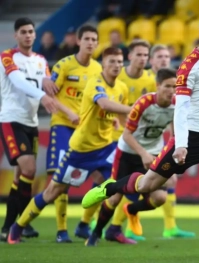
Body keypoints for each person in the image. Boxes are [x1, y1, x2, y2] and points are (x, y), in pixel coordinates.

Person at [81, 12, 199, 260]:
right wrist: (181, 145)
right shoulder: (188, 67)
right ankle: (108, 189)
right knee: (147, 185)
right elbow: (181, 110)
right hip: (191, 139)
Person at [7, 47, 132, 244]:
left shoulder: (122, 88)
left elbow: (122, 117)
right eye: (112, 62)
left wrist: (123, 125)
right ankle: (18, 226)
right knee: (53, 191)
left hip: (105, 148)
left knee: (117, 189)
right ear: (103, 64)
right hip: (81, 150)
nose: (116, 66)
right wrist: (135, 108)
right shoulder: (95, 83)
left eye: (119, 61)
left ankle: (93, 231)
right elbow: (106, 105)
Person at [87, 68, 185, 245]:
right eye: (167, 86)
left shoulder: (177, 104)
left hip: (153, 153)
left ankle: (130, 210)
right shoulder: (144, 103)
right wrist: (143, 154)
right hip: (128, 153)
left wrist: (168, 155)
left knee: (160, 197)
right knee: (115, 197)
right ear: (157, 86)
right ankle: (95, 233)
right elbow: (126, 135)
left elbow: (174, 134)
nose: (171, 90)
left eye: (174, 86)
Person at [0, 17, 57, 242]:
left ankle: (12, 226)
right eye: (23, 32)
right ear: (16, 35)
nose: (27, 35)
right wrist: (43, 95)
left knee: (20, 176)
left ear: (35, 34)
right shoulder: (7, 56)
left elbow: (49, 82)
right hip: (11, 120)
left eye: (30, 31)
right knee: (30, 169)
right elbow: (18, 81)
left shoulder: (41, 60)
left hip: (32, 122)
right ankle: (17, 224)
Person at [47, 25, 102, 243]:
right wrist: (69, 112)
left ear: (97, 43)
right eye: (86, 38)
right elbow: (49, 95)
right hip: (63, 125)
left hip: (86, 130)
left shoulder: (98, 69)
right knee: (62, 178)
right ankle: (61, 230)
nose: (90, 42)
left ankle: (84, 224)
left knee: (102, 176)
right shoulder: (64, 65)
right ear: (78, 41)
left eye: (94, 39)